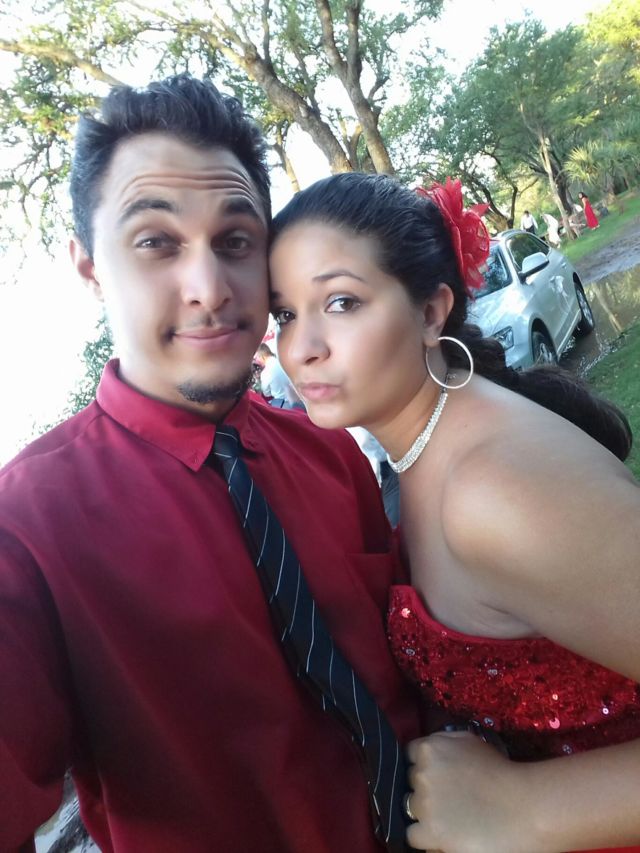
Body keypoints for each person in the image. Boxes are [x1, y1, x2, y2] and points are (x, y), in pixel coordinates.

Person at [0, 77, 421, 853]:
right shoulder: (25, 530)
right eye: (156, 242)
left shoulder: (331, 449)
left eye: (235, 241)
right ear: (89, 266)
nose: (210, 289)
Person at [270, 172, 640, 853]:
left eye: (341, 302)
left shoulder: (493, 491)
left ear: (431, 312)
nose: (301, 347)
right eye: (285, 313)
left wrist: (528, 808)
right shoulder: (423, 457)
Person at [256, 341, 303, 408]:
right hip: (300, 396)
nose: (257, 361)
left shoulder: (265, 373)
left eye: (257, 358)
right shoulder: (284, 359)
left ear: (262, 357)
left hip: (284, 404)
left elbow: (267, 394)